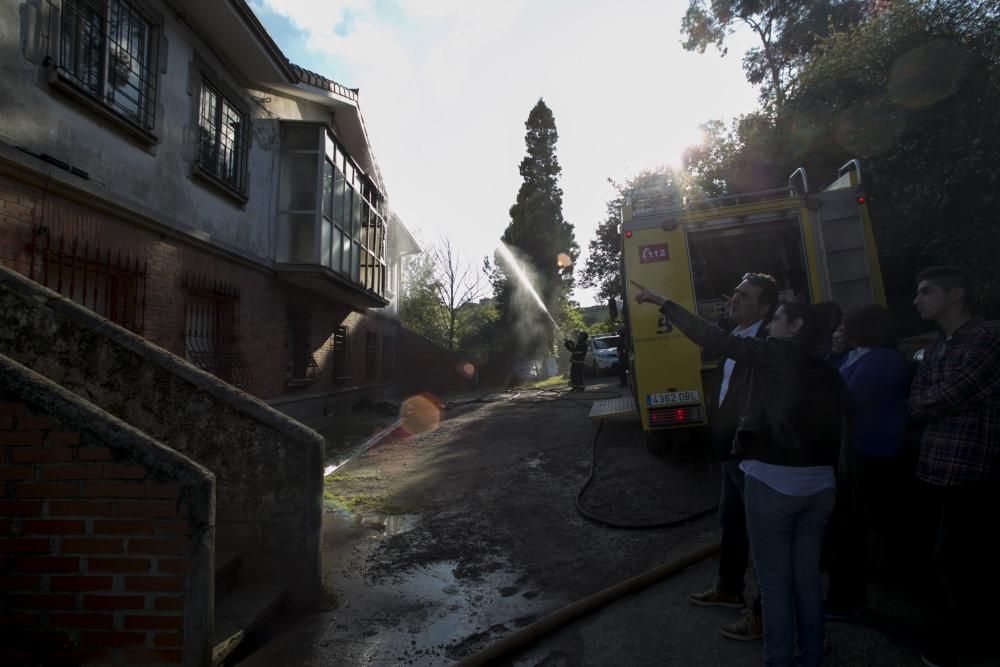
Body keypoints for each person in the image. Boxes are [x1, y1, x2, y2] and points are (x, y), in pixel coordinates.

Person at [633, 282, 843, 667]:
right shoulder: (828, 367)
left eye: (777, 319)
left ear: (795, 327)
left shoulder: (775, 353)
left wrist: (664, 302)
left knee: (775, 584)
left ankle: (779, 660)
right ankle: (809, 656)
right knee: (808, 581)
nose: (771, 326)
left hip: (774, 482)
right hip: (820, 487)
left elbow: (713, 338)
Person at [907, 266, 1000, 667]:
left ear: (957, 293)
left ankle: (973, 642)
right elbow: (916, 399)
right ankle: (959, 631)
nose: (917, 300)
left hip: (973, 472)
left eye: (926, 292)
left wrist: (926, 401)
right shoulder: (939, 345)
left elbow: (949, 395)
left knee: (968, 563)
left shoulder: (987, 340)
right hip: (934, 470)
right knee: (945, 561)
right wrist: (926, 401)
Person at [686, 273, 778, 642]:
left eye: (745, 296)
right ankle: (728, 587)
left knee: (762, 536)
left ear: (765, 307)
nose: (734, 300)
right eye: (735, 293)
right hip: (731, 450)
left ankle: (764, 614)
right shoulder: (737, 336)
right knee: (733, 522)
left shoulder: (766, 341)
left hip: (750, 452)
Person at [824, 304, 909, 620]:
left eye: (847, 325)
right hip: (858, 454)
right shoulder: (857, 355)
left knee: (850, 530)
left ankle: (848, 600)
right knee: (855, 527)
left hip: (873, 455)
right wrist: (834, 353)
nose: (842, 330)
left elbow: (843, 396)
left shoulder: (882, 359)